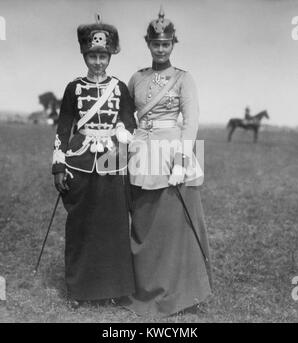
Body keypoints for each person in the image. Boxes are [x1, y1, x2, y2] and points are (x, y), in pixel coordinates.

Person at [124, 8, 212, 317]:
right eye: (155, 43)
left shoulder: (184, 79)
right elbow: (125, 115)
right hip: (141, 153)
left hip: (172, 151)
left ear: (173, 44)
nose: (160, 49)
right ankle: (143, 287)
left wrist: (180, 161)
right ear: (148, 44)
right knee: (144, 223)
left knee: (173, 228)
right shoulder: (136, 78)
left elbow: (191, 123)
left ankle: (178, 293)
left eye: (166, 44)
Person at [52, 14, 136, 307]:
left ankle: (115, 288)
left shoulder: (120, 87)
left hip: (113, 160)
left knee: (113, 224)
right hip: (80, 161)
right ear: (85, 55)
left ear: (110, 55)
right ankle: (79, 290)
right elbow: (64, 128)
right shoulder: (73, 88)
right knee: (81, 224)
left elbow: (129, 122)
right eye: (92, 55)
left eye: (103, 56)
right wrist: (58, 165)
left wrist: (122, 133)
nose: (98, 61)